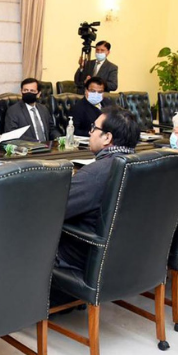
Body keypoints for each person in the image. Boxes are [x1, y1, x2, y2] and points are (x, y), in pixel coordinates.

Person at [56, 107, 140, 271]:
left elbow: (54, 211)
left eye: (94, 128)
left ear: (107, 137)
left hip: (84, 256)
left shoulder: (95, 174)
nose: (90, 132)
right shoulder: (141, 164)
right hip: (127, 253)